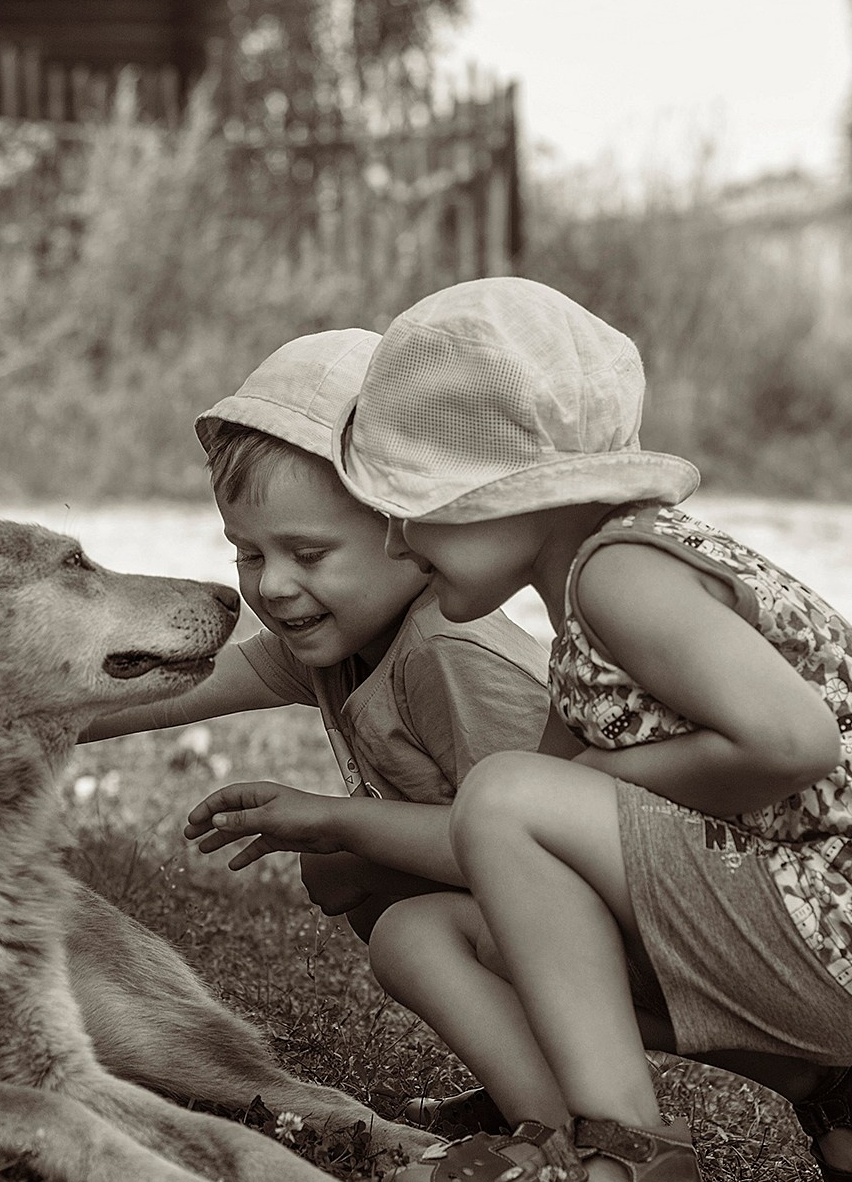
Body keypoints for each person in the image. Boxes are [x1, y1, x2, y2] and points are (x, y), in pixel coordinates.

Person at [326, 277, 852, 1182]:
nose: (391, 538)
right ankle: (848, 1097)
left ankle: (624, 1172)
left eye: (410, 504)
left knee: (511, 795)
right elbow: (491, 842)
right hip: (817, 920)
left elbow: (791, 742)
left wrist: (604, 781)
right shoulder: (584, 615)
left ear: (522, 494)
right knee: (428, 933)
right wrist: (326, 821)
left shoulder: (618, 573)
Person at [81, 329, 551, 965]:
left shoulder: (451, 655)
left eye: (308, 554)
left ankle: (568, 1043)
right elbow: (196, 684)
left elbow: (548, 847)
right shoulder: (345, 637)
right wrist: (34, 715)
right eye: (248, 553)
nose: (271, 585)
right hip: (521, 888)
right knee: (339, 873)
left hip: (596, 917)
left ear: (411, 532)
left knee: (369, 887)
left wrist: (332, 818)